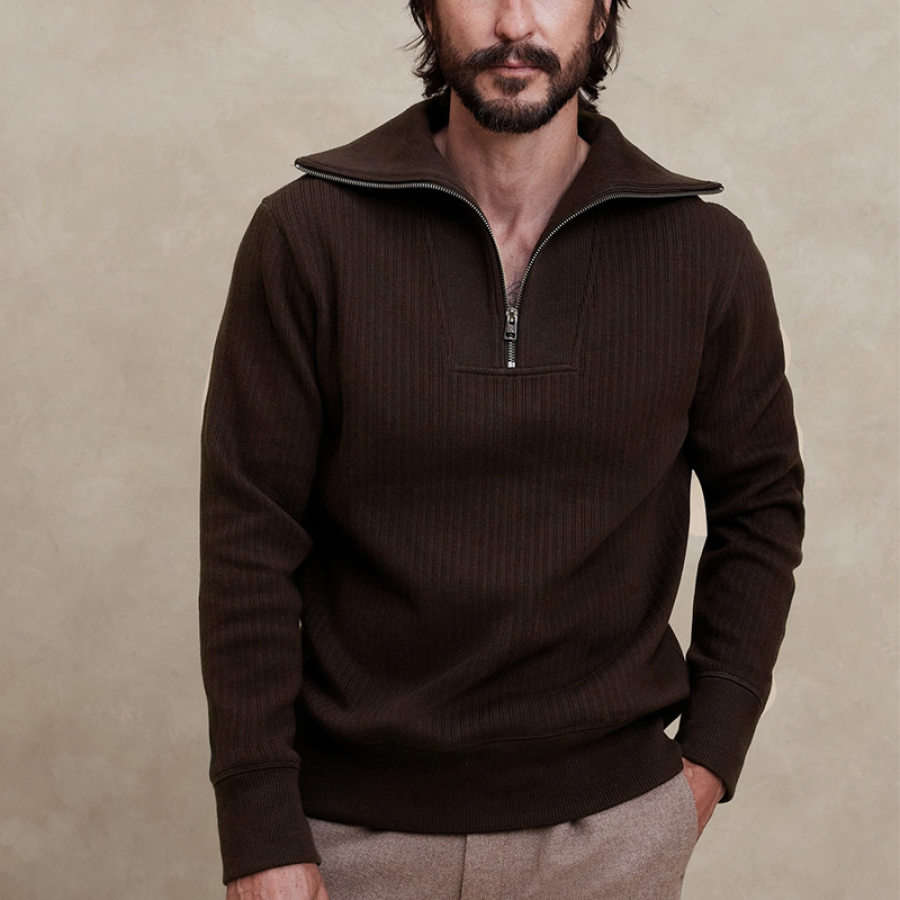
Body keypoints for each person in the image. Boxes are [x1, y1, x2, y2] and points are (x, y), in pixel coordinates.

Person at [199, 0, 804, 897]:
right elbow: (247, 537)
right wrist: (258, 829)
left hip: (613, 837)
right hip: (349, 838)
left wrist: (712, 754)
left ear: (603, 11)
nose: (514, 20)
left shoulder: (705, 253)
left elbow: (762, 508)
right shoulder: (306, 236)